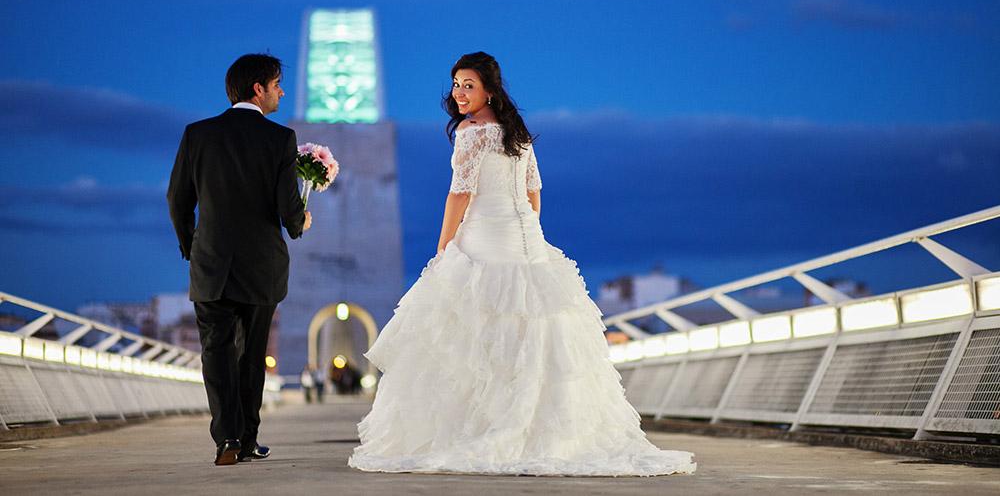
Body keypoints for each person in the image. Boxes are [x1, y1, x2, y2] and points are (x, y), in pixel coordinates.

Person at [347, 52, 695, 476]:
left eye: (468, 85)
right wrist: (528, 236)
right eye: (456, 83)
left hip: (483, 241)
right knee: (535, 332)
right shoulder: (519, 135)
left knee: (471, 335)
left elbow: (459, 195)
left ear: (489, 91)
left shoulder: (471, 133)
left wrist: (443, 250)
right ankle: (546, 432)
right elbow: (534, 193)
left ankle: (481, 428)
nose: (459, 92)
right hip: (527, 243)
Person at [167, 53, 313, 466]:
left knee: (215, 352)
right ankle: (248, 440)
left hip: (210, 263)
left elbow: (178, 200)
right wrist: (302, 220)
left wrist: (191, 247)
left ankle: (227, 439)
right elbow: (288, 212)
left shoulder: (198, 134)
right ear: (258, 89)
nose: (281, 91)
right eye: (277, 83)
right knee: (251, 357)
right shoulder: (279, 139)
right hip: (261, 267)